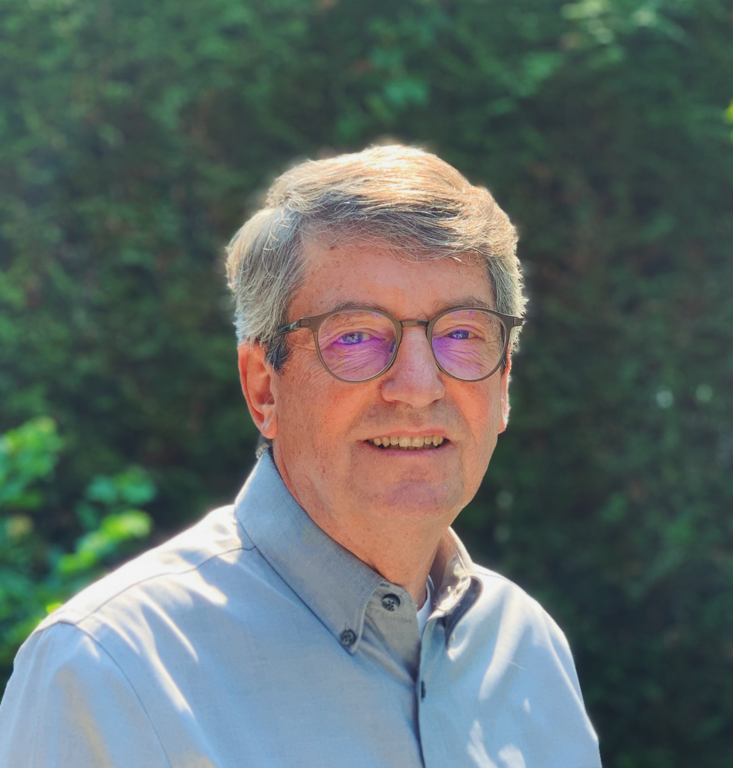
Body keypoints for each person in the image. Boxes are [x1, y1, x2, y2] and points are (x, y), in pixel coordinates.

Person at [0, 145, 602, 767]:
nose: (419, 385)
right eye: (358, 335)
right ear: (264, 386)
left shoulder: (530, 652)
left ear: (503, 383)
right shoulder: (108, 669)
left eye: (461, 334)